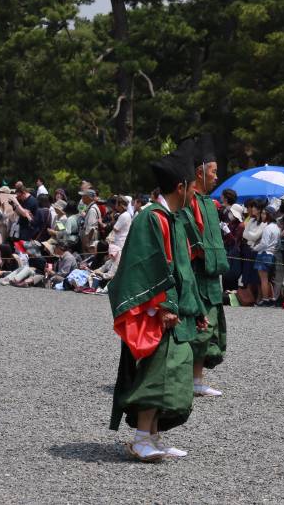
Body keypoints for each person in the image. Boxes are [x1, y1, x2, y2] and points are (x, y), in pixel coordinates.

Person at [108, 147, 206, 462]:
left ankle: (152, 436)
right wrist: (160, 305)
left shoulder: (172, 217)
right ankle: (140, 439)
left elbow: (182, 267)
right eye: (193, 185)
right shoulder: (152, 217)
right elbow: (144, 265)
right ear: (182, 187)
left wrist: (195, 307)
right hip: (156, 311)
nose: (195, 191)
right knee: (155, 374)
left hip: (174, 310)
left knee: (170, 373)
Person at [177, 136, 230, 396]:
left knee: (209, 327)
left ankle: (197, 379)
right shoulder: (188, 202)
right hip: (195, 273)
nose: (217, 177)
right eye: (213, 172)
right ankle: (185, 378)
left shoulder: (208, 203)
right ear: (199, 173)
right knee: (195, 324)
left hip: (210, 274)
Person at [252, 206, 280, 305]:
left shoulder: (268, 228)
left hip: (264, 254)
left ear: (269, 215)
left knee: (263, 279)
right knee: (268, 279)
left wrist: (254, 248)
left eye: (264, 213)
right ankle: (270, 298)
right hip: (271, 254)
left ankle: (265, 299)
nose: (262, 215)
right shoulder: (276, 227)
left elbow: (264, 244)